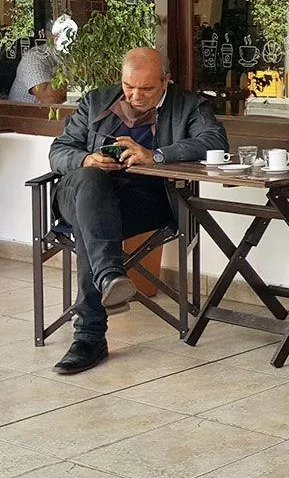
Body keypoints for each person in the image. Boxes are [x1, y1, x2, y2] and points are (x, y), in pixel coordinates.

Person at [47, 47, 229, 375]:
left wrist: (155, 155)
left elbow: (215, 141)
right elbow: (59, 151)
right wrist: (87, 159)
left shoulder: (189, 105)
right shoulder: (96, 101)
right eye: (129, 87)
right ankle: (107, 284)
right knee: (91, 184)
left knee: (95, 230)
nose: (135, 96)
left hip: (144, 201)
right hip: (79, 195)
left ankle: (90, 334)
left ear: (165, 81)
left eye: (146, 89)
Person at [7, 15, 74, 104]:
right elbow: (49, 99)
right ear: (49, 35)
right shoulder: (34, 57)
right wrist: (73, 69)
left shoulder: (72, 55)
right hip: (27, 115)